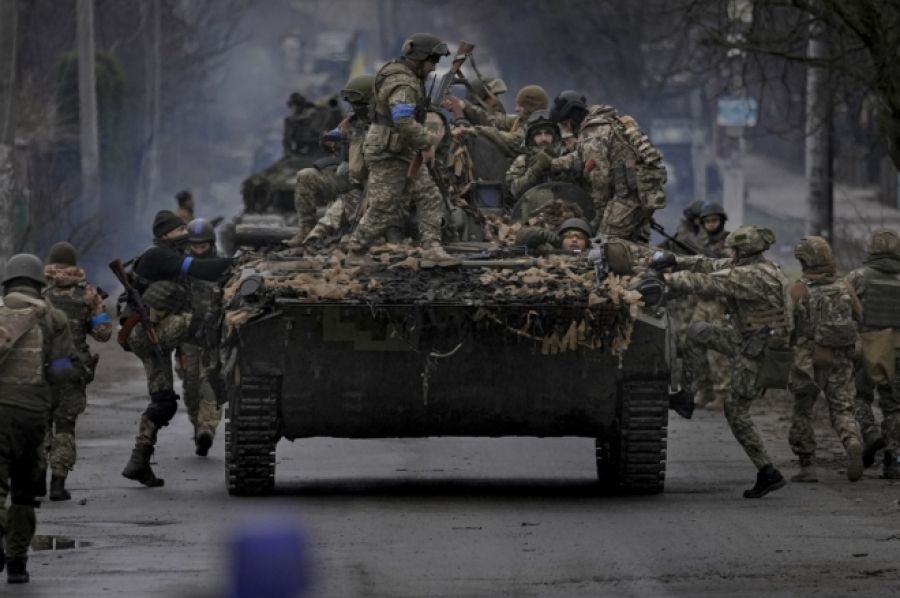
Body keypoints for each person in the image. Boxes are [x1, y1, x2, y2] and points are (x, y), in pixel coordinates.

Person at [651, 226, 790, 498]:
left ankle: (768, 471)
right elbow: (710, 264)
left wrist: (665, 278)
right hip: (746, 340)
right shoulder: (756, 266)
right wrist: (675, 259)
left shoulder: (752, 276)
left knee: (736, 410)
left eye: (734, 250)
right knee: (697, 332)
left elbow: (705, 282)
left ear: (744, 251)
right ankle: (686, 396)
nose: (730, 254)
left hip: (758, 353)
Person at [118, 210, 233, 487]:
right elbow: (202, 269)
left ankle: (139, 461)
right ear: (166, 234)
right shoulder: (159, 256)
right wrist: (237, 262)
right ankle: (220, 378)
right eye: (180, 229)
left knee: (164, 403)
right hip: (146, 333)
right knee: (202, 323)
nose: (185, 233)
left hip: (151, 336)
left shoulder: (167, 254)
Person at [0, 254, 77, 584]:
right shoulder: (52, 317)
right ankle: (17, 563)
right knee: (23, 493)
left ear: (7, 282)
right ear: (38, 283)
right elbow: (61, 370)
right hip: (31, 417)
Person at [346, 33, 449, 256]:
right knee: (384, 208)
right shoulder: (402, 83)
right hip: (388, 152)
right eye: (432, 61)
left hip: (402, 148)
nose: (434, 67)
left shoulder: (407, 77)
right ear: (420, 58)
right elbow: (402, 120)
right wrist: (426, 143)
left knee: (429, 195)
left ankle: (432, 247)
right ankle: (354, 250)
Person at [787, 236, 864, 482]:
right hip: (842, 357)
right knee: (843, 407)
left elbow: (788, 325)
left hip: (809, 360)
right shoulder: (844, 286)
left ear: (804, 261)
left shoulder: (799, 289)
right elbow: (859, 315)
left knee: (802, 410)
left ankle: (807, 466)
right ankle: (852, 440)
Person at [42, 242, 113, 501]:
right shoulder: (88, 294)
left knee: (41, 423)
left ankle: (36, 479)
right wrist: (97, 311)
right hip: (71, 367)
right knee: (65, 424)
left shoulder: (40, 294)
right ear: (75, 264)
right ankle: (58, 483)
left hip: (43, 366)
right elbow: (103, 334)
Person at [553, 99, 666, 242]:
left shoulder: (591, 133)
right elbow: (581, 157)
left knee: (605, 243)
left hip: (629, 196)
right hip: (642, 191)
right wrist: (554, 163)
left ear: (568, 123)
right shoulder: (605, 122)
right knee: (627, 242)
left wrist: (595, 221)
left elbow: (600, 183)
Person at [292, 74, 375, 245]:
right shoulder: (352, 122)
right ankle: (306, 228)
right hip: (347, 177)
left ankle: (330, 233)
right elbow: (333, 136)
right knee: (305, 176)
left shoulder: (384, 124)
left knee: (345, 196)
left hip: (371, 184)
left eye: (358, 103)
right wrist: (329, 139)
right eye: (353, 104)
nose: (355, 107)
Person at [845, 227, 900, 478]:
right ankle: (893, 460)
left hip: (867, 346)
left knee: (859, 397)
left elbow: (842, 308)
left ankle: (870, 433)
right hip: (897, 348)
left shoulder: (858, 277)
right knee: (894, 405)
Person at [178, 219, 227, 456]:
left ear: (211, 244)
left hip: (212, 336)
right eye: (194, 246)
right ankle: (197, 424)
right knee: (190, 386)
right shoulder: (181, 267)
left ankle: (206, 428)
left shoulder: (222, 266)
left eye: (203, 246)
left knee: (210, 381)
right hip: (187, 335)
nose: (199, 250)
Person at [505, 110, 578, 200]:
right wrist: (536, 168)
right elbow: (514, 191)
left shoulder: (567, 157)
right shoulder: (522, 160)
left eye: (548, 133)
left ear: (555, 136)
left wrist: (556, 167)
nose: (543, 138)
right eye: (538, 134)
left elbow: (578, 189)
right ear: (531, 139)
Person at [515, 217, 592, 256]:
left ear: (587, 243)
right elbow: (520, 243)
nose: (574, 239)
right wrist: (537, 233)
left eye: (580, 236)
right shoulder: (548, 251)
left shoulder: (593, 256)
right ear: (561, 240)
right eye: (569, 235)